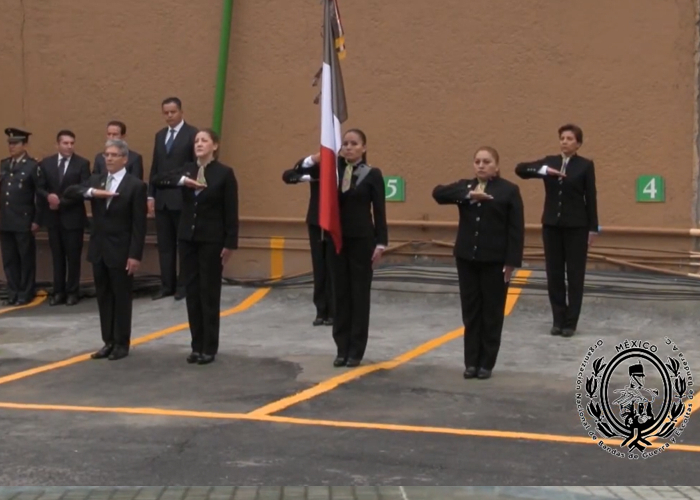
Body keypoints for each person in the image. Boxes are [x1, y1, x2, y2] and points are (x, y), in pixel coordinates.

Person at [294, 129, 388, 368]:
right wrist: (313, 159)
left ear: (363, 148)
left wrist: (381, 242)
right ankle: (341, 347)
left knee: (359, 294)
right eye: (345, 143)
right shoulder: (331, 172)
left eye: (354, 144)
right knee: (340, 294)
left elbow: (379, 210)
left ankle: (356, 349)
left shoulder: (372, 174)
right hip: (337, 239)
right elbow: (293, 173)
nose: (348, 147)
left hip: (362, 240)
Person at [433, 146, 525, 380]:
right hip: (467, 258)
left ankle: (487, 362)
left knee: (492, 312)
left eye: (486, 161)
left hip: (494, 260)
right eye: (477, 161)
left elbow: (516, 229)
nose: (481, 165)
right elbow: (438, 193)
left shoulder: (508, 190)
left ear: (496, 165)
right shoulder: (465, 187)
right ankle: (471, 362)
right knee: (471, 311)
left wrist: (512, 261)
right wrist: (468, 195)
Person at [151, 128, 238, 365]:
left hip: (212, 240)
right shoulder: (187, 169)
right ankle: (196, 345)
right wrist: (181, 181)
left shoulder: (224, 173)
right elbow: (158, 179)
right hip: (188, 238)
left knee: (208, 292)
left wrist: (230, 242)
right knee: (192, 292)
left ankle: (210, 345)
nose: (199, 144)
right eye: (197, 140)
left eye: (204, 140)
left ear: (215, 145)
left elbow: (231, 211)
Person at [63, 139, 147, 361]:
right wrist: (93, 193)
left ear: (124, 159)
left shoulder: (135, 185)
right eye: (106, 154)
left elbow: (139, 225)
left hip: (121, 250)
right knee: (104, 297)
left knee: (121, 297)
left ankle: (122, 342)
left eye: (113, 155)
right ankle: (108, 341)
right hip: (99, 248)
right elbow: (70, 192)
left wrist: (134, 254)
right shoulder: (97, 181)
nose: (108, 158)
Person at [515, 123, 598, 338]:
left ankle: (571, 322)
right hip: (552, 225)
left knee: (575, 274)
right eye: (562, 138)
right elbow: (521, 169)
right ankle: (558, 319)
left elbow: (591, 197)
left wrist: (593, 228)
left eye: (570, 138)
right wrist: (543, 171)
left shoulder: (585, 166)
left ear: (578, 143)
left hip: (577, 227)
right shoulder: (550, 162)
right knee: (554, 274)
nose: (565, 141)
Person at [147, 97, 198, 301]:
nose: (169, 116)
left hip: (182, 198)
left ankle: (183, 285)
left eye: (173, 112)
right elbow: (155, 167)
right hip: (162, 200)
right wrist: (150, 194)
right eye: (166, 113)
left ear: (181, 112)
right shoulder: (160, 136)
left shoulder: (192, 134)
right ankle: (166, 285)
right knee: (165, 245)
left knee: (182, 244)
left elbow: (193, 166)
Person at [38, 129, 91, 306]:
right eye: (65, 143)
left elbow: (84, 189)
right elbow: (40, 186)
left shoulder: (82, 163)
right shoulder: (47, 163)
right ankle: (58, 291)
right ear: (57, 144)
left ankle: (72, 292)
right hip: (53, 218)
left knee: (73, 257)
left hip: (73, 217)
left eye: (72, 143)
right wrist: (47, 197)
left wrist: (62, 202)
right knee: (57, 257)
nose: (69, 146)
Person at [282, 159, 335, 327]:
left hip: (335, 222)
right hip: (316, 221)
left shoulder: (341, 167)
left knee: (333, 268)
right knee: (319, 267)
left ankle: (334, 311)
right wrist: (311, 159)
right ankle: (321, 310)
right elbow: (290, 174)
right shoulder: (316, 167)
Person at [0, 127, 44, 306]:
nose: (12, 147)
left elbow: (39, 195)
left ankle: (26, 292)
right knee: (9, 258)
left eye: (15, 143)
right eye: (9, 143)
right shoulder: (4, 164)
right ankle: (13, 290)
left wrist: (36, 220)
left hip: (23, 219)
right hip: (5, 219)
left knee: (25, 257)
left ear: (24, 145)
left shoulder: (32, 166)